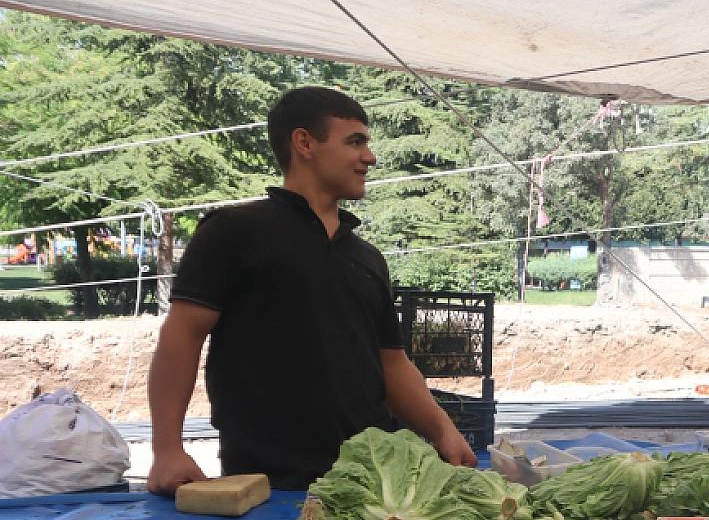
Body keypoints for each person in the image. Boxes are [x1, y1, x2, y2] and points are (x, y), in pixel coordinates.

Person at [146, 87, 475, 493]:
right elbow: (182, 334)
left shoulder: (369, 259)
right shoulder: (234, 232)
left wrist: (443, 431)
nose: (369, 157)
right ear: (304, 143)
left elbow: (391, 363)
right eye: (355, 142)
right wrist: (166, 450)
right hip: (272, 485)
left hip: (376, 481)